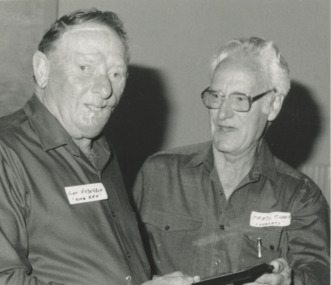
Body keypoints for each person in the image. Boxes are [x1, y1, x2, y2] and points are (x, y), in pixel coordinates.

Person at [0, 8, 199, 285]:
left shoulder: (102, 152)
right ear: (42, 70)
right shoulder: (6, 152)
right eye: (85, 68)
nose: (105, 89)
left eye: (116, 74)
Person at [133, 37, 330, 285]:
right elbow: (121, 261)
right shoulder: (159, 174)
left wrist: (289, 282)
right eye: (216, 96)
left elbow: (318, 273)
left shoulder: (300, 196)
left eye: (239, 99)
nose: (223, 113)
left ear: (273, 105)